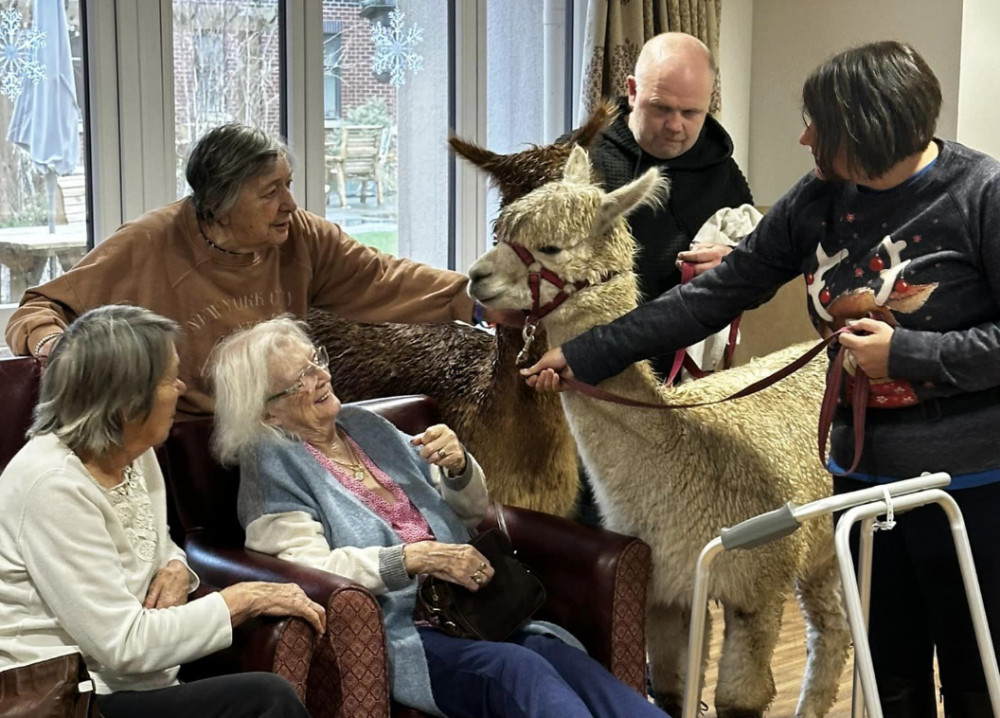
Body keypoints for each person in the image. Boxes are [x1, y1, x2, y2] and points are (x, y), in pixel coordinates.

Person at [523, 40, 1000, 718]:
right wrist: (591, 353)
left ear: (868, 130)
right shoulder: (822, 197)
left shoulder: (982, 196)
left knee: (973, 667)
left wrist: (909, 357)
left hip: (969, 489)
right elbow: (716, 294)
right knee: (888, 667)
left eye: (818, 125)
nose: (804, 137)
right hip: (863, 482)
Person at [208, 316, 668, 718]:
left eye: (316, 361)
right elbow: (309, 571)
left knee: (560, 654)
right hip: (408, 631)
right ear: (266, 409)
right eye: (300, 379)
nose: (321, 376)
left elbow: (470, 510)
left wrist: (459, 466)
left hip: (476, 609)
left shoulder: (366, 425)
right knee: (516, 668)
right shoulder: (271, 466)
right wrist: (414, 558)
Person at [4, 123, 515, 419]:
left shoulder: (302, 237)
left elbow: (382, 277)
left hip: (280, 429)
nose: (290, 203)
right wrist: (52, 346)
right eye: (270, 192)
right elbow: (39, 308)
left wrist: (470, 299)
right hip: (187, 445)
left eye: (288, 185)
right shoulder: (150, 242)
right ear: (221, 203)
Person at [0, 305, 327, 718]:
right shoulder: (51, 485)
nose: (180, 386)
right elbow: (123, 645)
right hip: (71, 697)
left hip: (140, 680)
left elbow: (157, 546)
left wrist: (176, 569)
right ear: (126, 400)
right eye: (168, 378)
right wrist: (240, 600)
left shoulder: (135, 451)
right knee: (266, 698)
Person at [567, 32, 753, 376]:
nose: (675, 126)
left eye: (690, 112)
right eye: (661, 108)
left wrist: (732, 266)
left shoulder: (721, 171)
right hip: (584, 365)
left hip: (679, 379)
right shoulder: (579, 156)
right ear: (633, 90)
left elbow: (763, 274)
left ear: (709, 101)